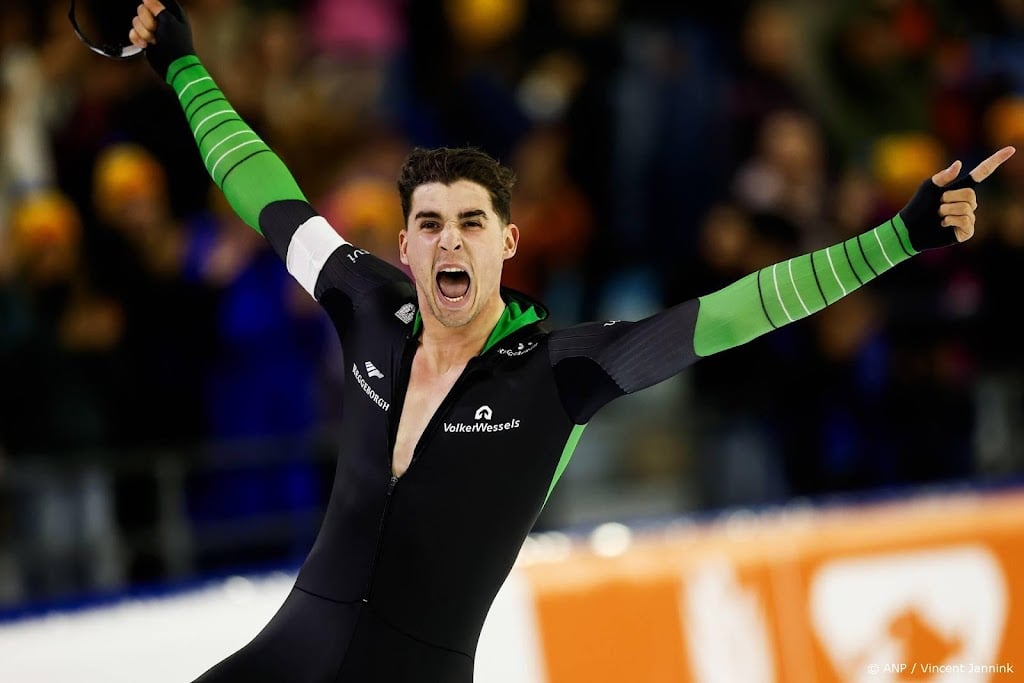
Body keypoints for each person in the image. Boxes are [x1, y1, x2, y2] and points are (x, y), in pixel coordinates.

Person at [127, 1, 1014, 680]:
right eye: (428, 223)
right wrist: (183, 64)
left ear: (509, 243)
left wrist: (898, 239)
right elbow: (265, 189)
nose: (448, 239)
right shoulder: (365, 301)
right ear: (402, 245)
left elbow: (743, 309)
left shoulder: (562, 368)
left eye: (473, 222)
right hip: (282, 659)